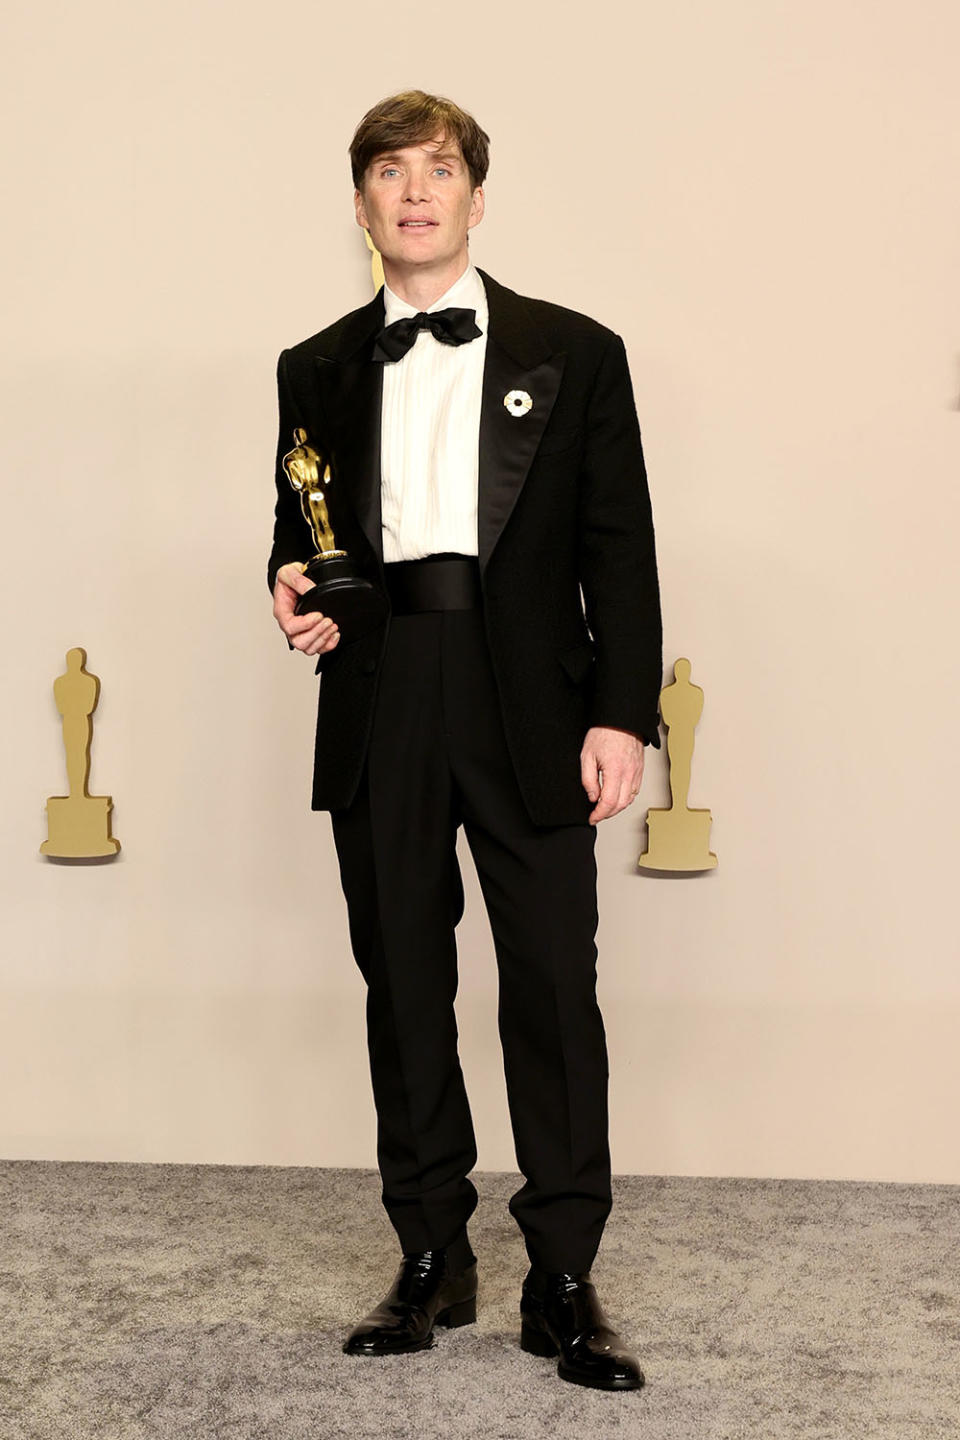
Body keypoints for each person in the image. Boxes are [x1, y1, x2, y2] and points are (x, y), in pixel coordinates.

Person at [268, 90, 663, 1392]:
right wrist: (284, 579)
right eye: (390, 172)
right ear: (365, 204)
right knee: (404, 987)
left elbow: (621, 549)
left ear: (477, 199)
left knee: (552, 984)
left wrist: (622, 712)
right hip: (385, 688)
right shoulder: (314, 366)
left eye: (439, 170)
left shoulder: (579, 351)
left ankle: (563, 1274)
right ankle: (430, 1256)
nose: (416, 191)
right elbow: (302, 529)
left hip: (533, 698)